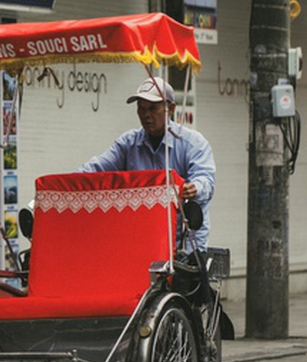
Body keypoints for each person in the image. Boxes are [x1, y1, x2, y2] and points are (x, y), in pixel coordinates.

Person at [79, 76, 215, 253]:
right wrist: (67, 183)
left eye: (152, 109)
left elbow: (206, 179)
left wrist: (194, 188)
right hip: (142, 239)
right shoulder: (128, 143)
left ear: (170, 108)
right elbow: (97, 167)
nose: (146, 115)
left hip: (186, 243)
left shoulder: (193, 143)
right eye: (141, 109)